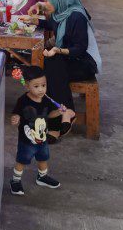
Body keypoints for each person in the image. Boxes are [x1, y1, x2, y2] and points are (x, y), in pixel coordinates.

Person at [23, 0, 101, 113]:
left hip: (85, 63)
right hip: (70, 59)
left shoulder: (77, 16)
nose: (45, 3)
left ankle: (64, 112)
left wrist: (57, 50)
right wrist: (35, 19)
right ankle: (58, 109)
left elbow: (80, 48)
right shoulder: (62, 12)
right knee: (49, 64)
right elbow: (53, 24)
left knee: (52, 67)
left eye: (47, 1)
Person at [9, 65, 75, 196]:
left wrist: (59, 112)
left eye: (43, 85)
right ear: (27, 86)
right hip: (27, 140)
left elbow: (49, 114)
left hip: (43, 137)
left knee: (43, 158)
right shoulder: (22, 100)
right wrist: (15, 118)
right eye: (36, 86)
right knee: (22, 160)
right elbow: (16, 114)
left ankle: (42, 177)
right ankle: (15, 180)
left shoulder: (45, 99)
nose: (41, 89)